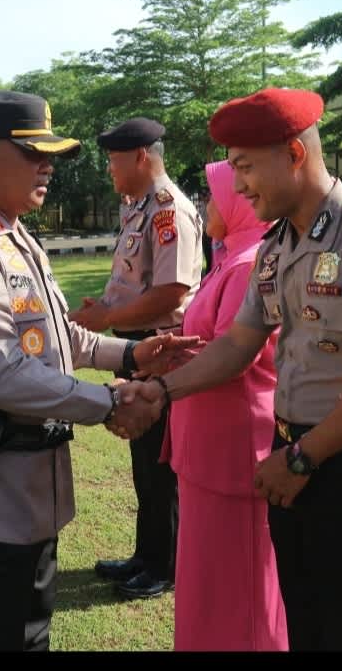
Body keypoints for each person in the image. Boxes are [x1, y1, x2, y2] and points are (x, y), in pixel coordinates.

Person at [0, 90, 198, 651]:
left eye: (51, 154)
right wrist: (111, 403)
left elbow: (56, 335)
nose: (48, 166)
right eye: (33, 152)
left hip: (17, 486)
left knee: (23, 635)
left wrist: (131, 356)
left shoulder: (12, 236)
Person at [139, 87, 342, 651]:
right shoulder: (277, 248)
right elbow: (236, 346)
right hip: (292, 464)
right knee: (306, 629)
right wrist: (159, 391)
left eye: (246, 168)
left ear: (294, 154)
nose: (240, 186)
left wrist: (300, 459)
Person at [69, 117, 202, 601]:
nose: (110, 170)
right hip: (132, 344)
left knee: (159, 461)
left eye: (114, 160)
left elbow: (172, 290)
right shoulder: (138, 208)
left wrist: (109, 317)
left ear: (141, 157)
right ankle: (147, 554)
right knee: (143, 460)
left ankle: (164, 564)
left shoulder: (169, 210)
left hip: (157, 346)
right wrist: (105, 312)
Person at [160, 159, 287, 651]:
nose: (208, 204)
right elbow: (212, 338)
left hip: (235, 454)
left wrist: (164, 373)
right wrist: (171, 347)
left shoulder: (252, 261)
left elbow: (235, 354)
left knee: (244, 595)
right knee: (210, 585)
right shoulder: (231, 258)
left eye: (215, 195)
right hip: (209, 451)